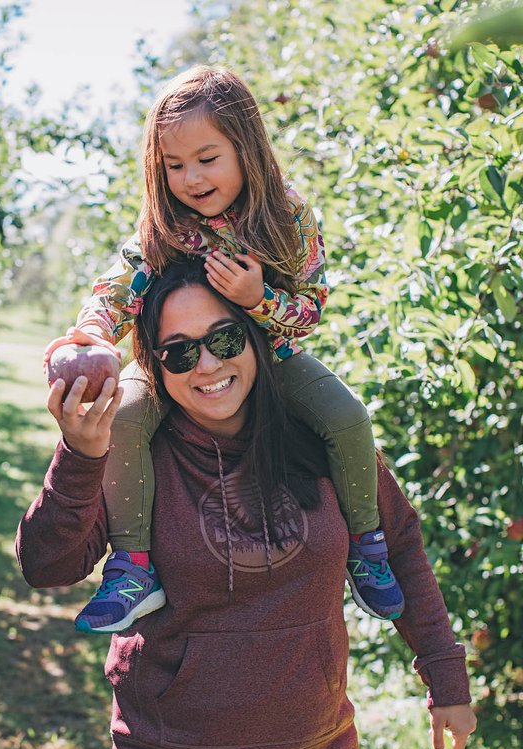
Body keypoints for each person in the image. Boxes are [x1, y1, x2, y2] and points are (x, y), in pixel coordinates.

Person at [17, 258, 477, 749]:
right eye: (178, 351)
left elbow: (402, 543)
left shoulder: (321, 438)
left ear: (257, 337)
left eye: (225, 338)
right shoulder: (134, 455)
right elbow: (47, 563)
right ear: (155, 363)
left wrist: (445, 675)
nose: (207, 365)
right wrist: (80, 454)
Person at [42, 64, 406, 633]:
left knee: (346, 416)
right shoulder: (168, 221)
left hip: (272, 359)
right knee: (130, 416)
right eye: (174, 164)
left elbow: (310, 311)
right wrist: (91, 332)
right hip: (178, 362)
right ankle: (134, 566)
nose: (190, 177)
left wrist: (259, 300)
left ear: (246, 148)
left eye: (207, 159)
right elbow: (123, 280)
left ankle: (366, 544)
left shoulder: (287, 217)